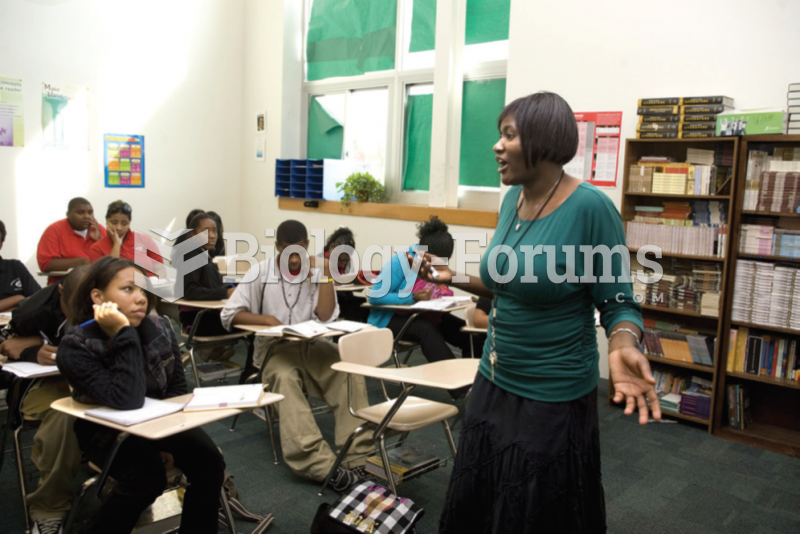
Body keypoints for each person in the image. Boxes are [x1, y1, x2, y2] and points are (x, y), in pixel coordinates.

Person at [415, 92, 660, 533]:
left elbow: (617, 300)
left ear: (543, 142)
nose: (496, 146)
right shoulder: (511, 200)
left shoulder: (591, 208)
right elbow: (507, 280)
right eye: (499, 135)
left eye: (508, 135)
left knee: (532, 513)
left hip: (553, 390)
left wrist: (623, 343)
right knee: (483, 500)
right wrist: (454, 277)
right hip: (493, 379)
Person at [57, 257, 225, 534]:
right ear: (98, 297)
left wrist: (163, 438)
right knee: (146, 480)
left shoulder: (160, 329)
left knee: (210, 463)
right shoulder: (76, 346)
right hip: (108, 431)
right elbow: (126, 399)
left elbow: (176, 391)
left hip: (158, 419)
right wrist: (123, 334)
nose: (141, 299)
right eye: (128, 289)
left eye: (143, 291)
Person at [220, 220, 372, 491]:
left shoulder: (316, 272)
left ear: (307, 247)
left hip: (311, 344)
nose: (294, 259)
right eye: (287, 252)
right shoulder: (260, 272)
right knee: (285, 379)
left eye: (300, 251)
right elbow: (228, 315)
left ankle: (356, 455)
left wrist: (325, 272)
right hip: (275, 349)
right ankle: (320, 465)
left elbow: (326, 316)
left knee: (347, 369)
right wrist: (264, 319)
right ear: (276, 247)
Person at [0, 266, 89, 534]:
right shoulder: (31, 313)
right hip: (46, 384)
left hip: (95, 377)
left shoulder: (111, 304)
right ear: (60, 292)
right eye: (74, 308)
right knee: (65, 415)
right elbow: (5, 349)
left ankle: (126, 478)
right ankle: (48, 510)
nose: (81, 317)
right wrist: (30, 351)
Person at [367, 216, 472, 370]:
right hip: (388, 320)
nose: (438, 266)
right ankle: (461, 390)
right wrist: (413, 297)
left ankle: (474, 383)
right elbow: (374, 296)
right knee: (426, 330)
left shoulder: (434, 261)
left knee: (466, 333)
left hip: (421, 315)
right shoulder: (400, 262)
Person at [176, 211, 236, 361]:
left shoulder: (203, 255)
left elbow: (212, 287)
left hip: (208, 316)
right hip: (199, 321)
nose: (212, 235)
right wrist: (225, 293)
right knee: (257, 325)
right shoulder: (192, 255)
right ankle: (253, 372)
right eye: (205, 231)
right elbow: (190, 291)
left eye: (215, 231)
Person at [37, 197, 107, 285]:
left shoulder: (99, 229)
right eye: (80, 212)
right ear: (68, 214)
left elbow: (113, 261)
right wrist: (82, 262)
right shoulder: (54, 230)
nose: (87, 216)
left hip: (97, 283)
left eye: (90, 213)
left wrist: (100, 240)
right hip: (63, 284)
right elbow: (46, 264)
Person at [88, 200, 164, 277]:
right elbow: (108, 277)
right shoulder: (97, 248)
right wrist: (117, 244)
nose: (119, 228)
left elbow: (160, 269)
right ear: (107, 221)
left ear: (129, 222)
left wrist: (155, 283)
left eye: (124, 223)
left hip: (149, 285)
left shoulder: (144, 240)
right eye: (114, 222)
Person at [324, 227, 369, 323]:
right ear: (332, 247)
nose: (342, 263)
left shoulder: (347, 262)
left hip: (344, 297)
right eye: (340, 259)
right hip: (327, 300)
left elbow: (349, 281)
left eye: (345, 260)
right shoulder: (321, 261)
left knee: (365, 305)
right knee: (353, 309)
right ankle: (342, 336)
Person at [0, 219, 41, 311]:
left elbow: (39, 299)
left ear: (1, 244)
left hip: (18, 323)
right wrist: (17, 298)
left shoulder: (15, 267)